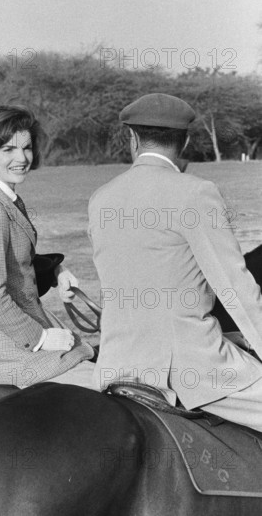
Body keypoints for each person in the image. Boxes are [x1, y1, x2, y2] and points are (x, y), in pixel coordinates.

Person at [88, 93, 262, 432]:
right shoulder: (195, 192)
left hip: (115, 366)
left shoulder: (101, 198)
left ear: (133, 138)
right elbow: (235, 289)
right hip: (188, 370)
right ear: (184, 142)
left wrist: (227, 335)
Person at [0, 105, 94, 388]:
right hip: (5, 341)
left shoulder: (4, 196)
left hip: (23, 324)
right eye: (8, 150)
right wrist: (40, 338)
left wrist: (55, 271)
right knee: (102, 390)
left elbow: (15, 260)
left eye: (26, 148)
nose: (22, 158)